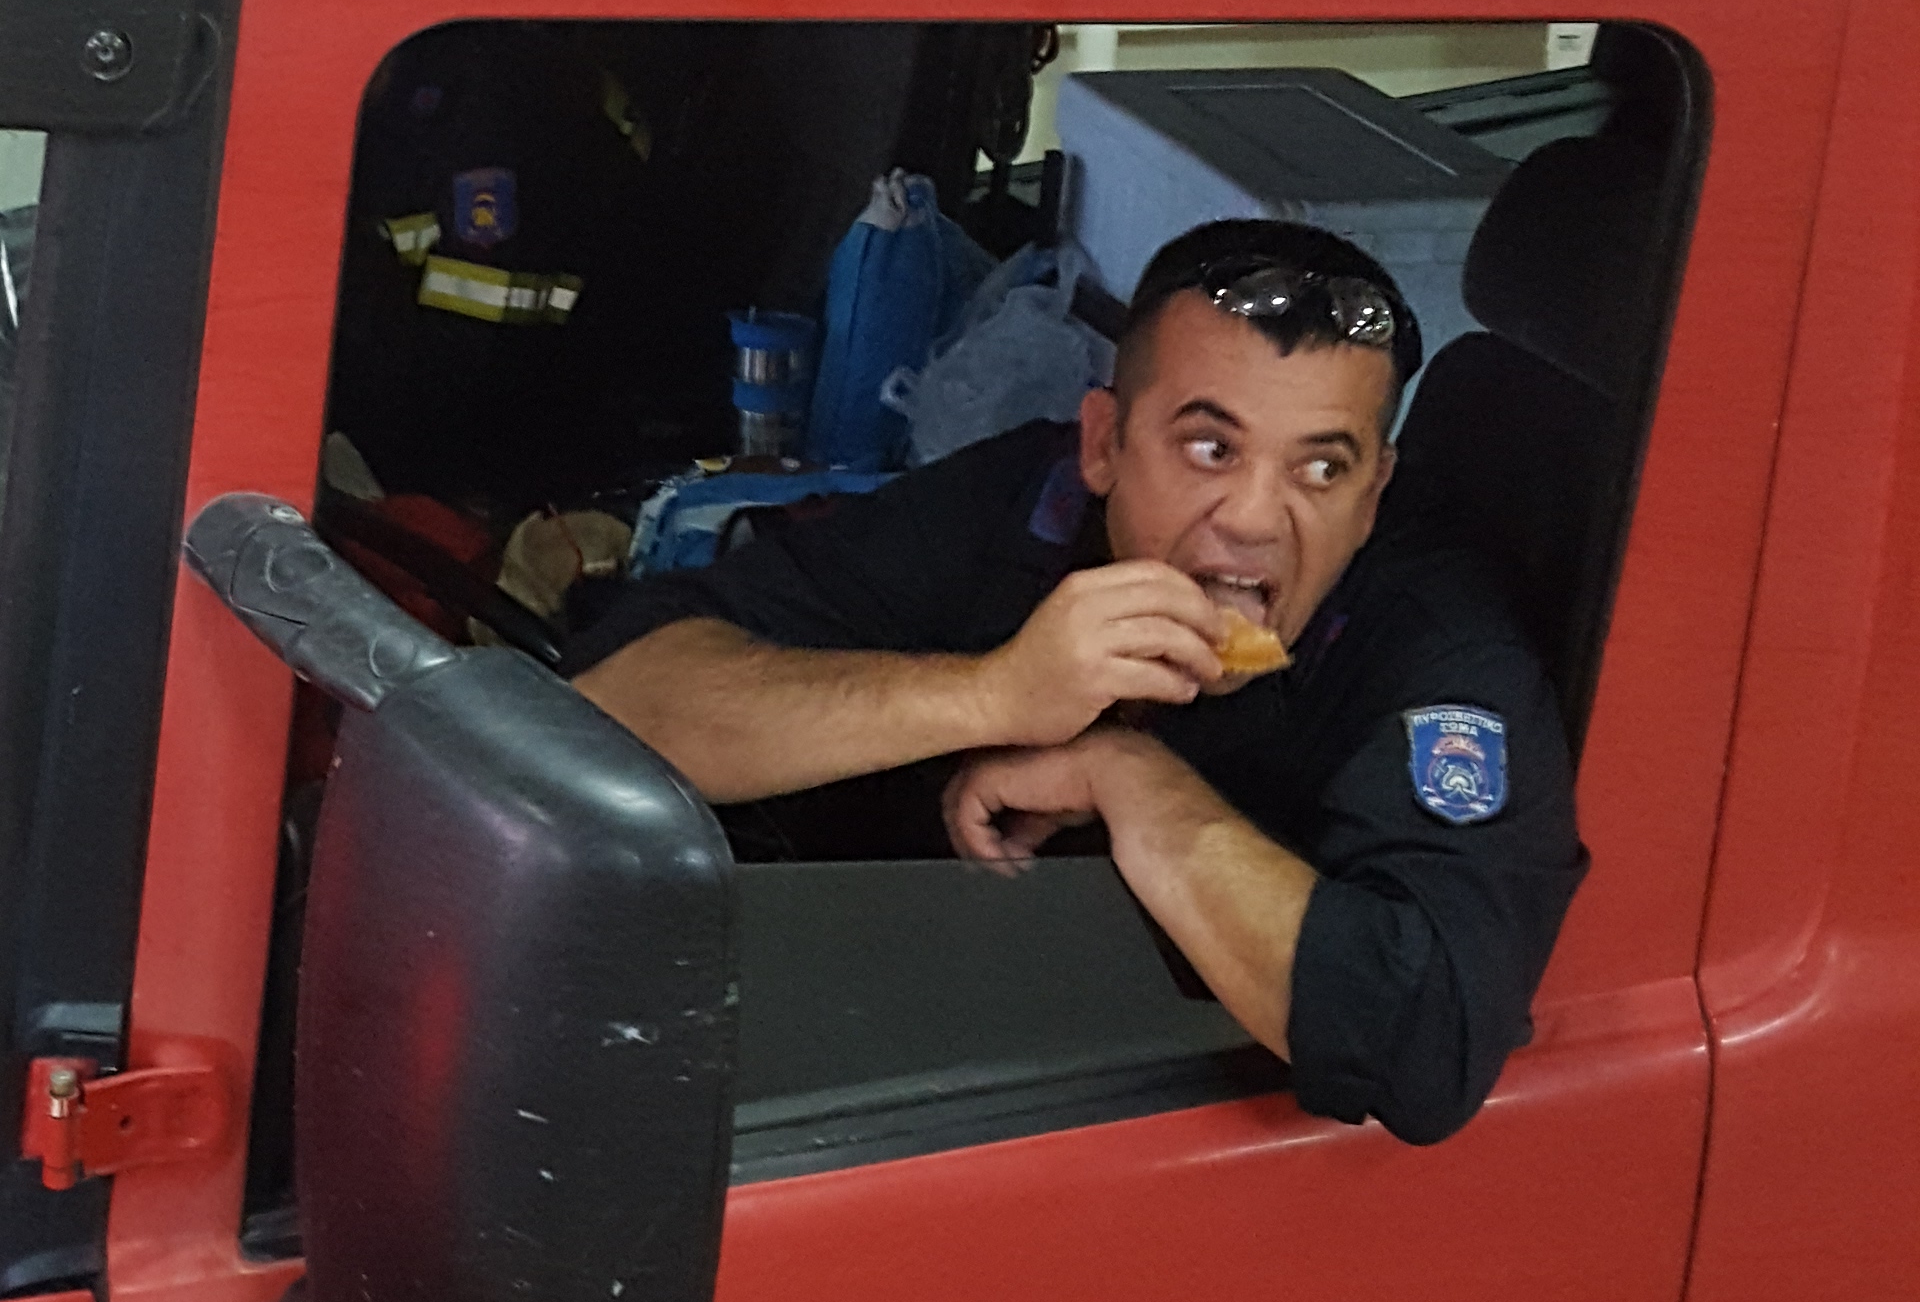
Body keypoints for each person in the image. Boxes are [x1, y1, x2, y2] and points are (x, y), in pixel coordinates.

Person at [574, 217, 1585, 1148]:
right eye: (1209, 447)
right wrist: (991, 694)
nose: (1253, 518)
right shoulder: (1029, 504)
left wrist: (1129, 777)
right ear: (1103, 443)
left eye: (1321, 470)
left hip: (1148, 1156)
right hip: (871, 1057)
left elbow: (1425, 1043)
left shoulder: (1437, 643)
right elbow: (613, 708)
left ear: (1373, 496)